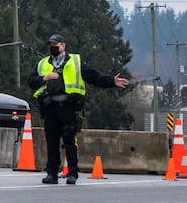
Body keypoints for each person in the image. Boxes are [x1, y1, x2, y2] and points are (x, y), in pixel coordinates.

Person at [27, 33, 128, 185]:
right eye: (51, 45)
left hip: (68, 107)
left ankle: (72, 173)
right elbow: (31, 81)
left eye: (56, 45)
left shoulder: (75, 61)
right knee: (51, 142)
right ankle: (52, 174)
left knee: (69, 141)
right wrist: (45, 78)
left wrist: (112, 81)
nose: (53, 48)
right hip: (50, 107)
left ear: (63, 46)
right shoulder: (43, 63)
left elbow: (94, 77)